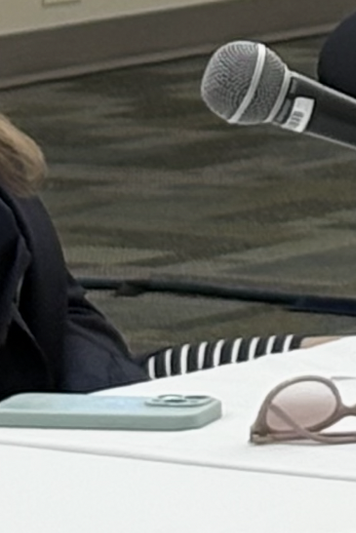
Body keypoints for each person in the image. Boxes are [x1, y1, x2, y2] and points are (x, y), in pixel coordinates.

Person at [1, 115, 300, 394]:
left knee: (310, 357)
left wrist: (119, 399)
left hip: (67, 408)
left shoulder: (10, 182)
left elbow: (63, 322)